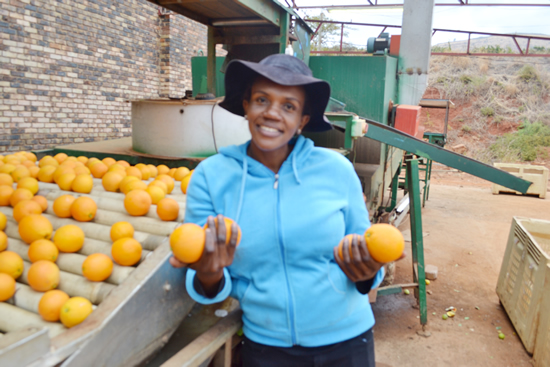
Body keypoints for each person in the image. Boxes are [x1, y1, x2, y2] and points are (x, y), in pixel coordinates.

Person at [170, 54, 394, 366]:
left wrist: (370, 272)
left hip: (348, 343)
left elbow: (365, 245)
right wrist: (209, 272)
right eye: (262, 99)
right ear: (246, 105)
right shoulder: (211, 176)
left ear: (303, 120)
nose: (272, 114)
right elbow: (203, 276)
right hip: (266, 347)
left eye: (289, 106)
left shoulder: (336, 170)